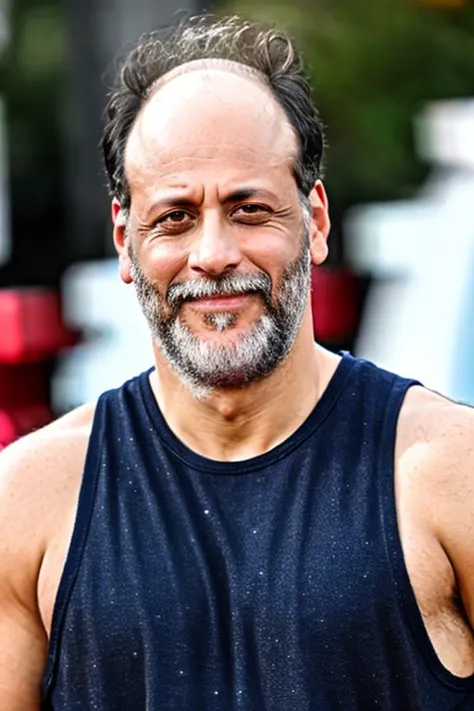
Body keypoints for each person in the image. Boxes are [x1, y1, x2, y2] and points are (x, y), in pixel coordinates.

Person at [1, 13, 473, 711]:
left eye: (249, 208)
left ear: (314, 221)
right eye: (175, 217)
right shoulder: (29, 504)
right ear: (125, 240)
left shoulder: (447, 473)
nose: (214, 253)